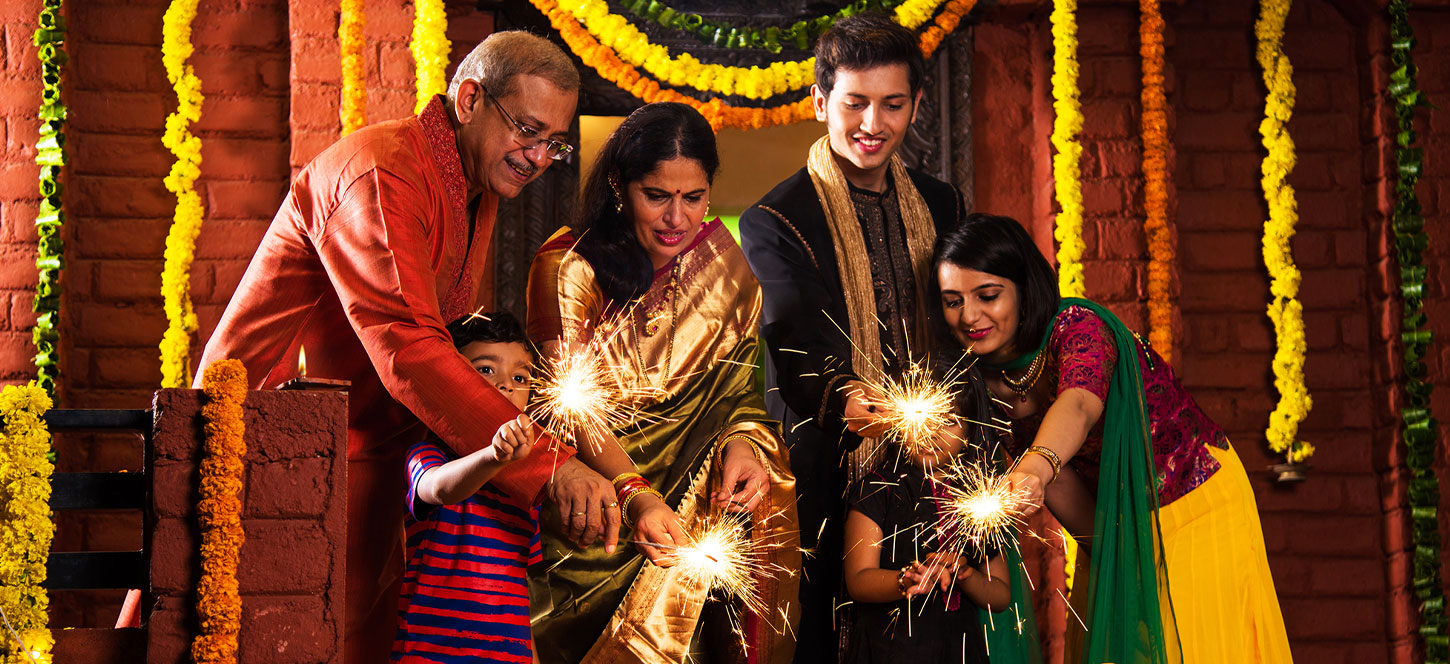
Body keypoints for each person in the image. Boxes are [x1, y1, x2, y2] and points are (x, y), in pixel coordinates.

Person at [194, 32, 620, 663]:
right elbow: (411, 348)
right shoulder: (384, 170)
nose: (536, 158)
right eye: (527, 130)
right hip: (271, 448)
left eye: (553, 143)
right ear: (469, 100)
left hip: (366, 460)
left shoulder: (473, 185)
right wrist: (549, 466)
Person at [932, 213, 1293, 663]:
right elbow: (1060, 483)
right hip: (1116, 525)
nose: (969, 316)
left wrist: (1033, 469)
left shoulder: (1078, 326)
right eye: (953, 301)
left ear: (1024, 289)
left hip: (1192, 501)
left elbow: (1079, 405)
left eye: (988, 296)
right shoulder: (976, 377)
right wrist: (1112, 558)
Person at [526, 102, 800, 664]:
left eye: (693, 197)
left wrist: (744, 445)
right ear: (619, 187)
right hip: (594, 521)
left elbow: (738, 395)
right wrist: (636, 494)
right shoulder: (569, 266)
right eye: (657, 196)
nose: (677, 218)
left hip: (692, 518)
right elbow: (566, 406)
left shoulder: (726, 271)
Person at [737, 13, 965, 658]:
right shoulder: (777, 219)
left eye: (892, 104)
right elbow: (797, 341)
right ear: (820, 102)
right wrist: (862, 406)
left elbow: (962, 322)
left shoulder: (942, 204)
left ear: (915, 105)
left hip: (939, 463)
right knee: (828, 637)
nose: (873, 123)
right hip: (828, 464)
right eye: (855, 102)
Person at [392, 312, 541, 663]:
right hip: (431, 653)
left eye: (520, 377)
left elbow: (518, 591)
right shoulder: (428, 454)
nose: (506, 386)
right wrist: (494, 456)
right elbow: (439, 488)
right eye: (486, 369)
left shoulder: (528, 484)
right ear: (452, 381)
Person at [842, 420, 1009, 664]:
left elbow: (1001, 596)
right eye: (921, 416)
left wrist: (965, 575)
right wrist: (907, 579)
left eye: (949, 421)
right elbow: (858, 580)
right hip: (891, 650)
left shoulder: (981, 500)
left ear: (970, 428)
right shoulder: (878, 488)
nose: (930, 431)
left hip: (961, 651)